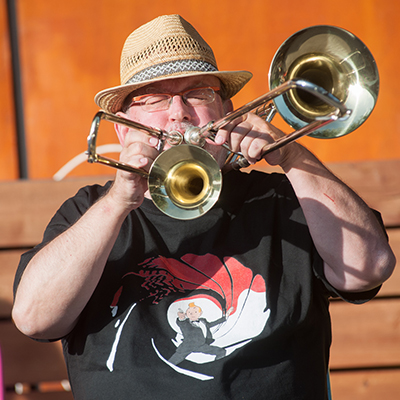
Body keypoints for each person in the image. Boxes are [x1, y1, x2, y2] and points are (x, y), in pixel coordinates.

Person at [12, 14, 395, 400]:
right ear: (123, 128)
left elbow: (370, 267)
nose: (178, 112)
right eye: (155, 98)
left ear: (225, 109)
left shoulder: (285, 198)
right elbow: (34, 318)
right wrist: (119, 201)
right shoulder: (90, 212)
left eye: (197, 93)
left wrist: (293, 155)